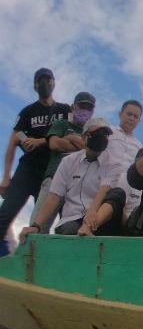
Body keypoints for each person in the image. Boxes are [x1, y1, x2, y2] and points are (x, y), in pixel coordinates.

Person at [0, 68, 71, 256]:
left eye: (48, 80)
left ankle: (51, 261)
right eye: (40, 81)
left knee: (63, 220)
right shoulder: (28, 112)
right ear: (34, 86)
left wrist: (42, 141)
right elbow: (12, 143)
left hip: (54, 173)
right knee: (5, 214)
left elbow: (74, 138)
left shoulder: (65, 110)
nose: (45, 84)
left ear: (54, 83)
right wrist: (6, 177)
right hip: (28, 170)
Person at [19, 118, 126, 239]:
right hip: (72, 221)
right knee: (70, 232)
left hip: (99, 220)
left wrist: (91, 216)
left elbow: (104, 189)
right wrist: (36, 226)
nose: (101, 137)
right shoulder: (68, 162)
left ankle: (87, 229)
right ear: (84, 137)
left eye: (105, 134)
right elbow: (54, 197)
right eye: (96, 134)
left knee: (118, 193)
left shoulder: (113, 163)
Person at [31, 91, 96, 233]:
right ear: (73, 107)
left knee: (69, 229)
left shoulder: (91, 132)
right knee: (38, 226)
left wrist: (72, 138)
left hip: (77, 186)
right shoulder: (62, 124)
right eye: (81, 106)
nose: (85, 110)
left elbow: (93, 151)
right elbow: (54, 144)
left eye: (89, 108)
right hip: (54, 178)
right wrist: (81, 145)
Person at [107, 100, 143, 220]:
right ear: (120, 114)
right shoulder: (108, 132)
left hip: (129, 193)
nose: (132, 118)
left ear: (139, 120)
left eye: (136, 116)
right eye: (129, 114)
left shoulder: (140, 146)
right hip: (104, 187)